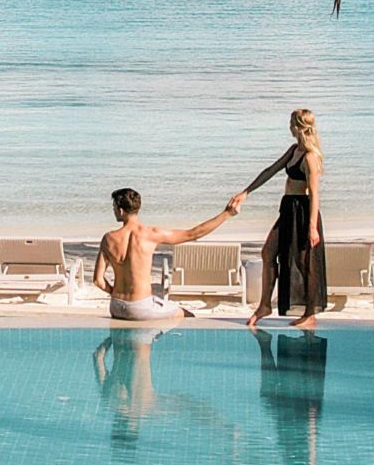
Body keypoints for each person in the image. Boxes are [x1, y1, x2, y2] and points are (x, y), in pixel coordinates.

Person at [96, 184, 240, 321]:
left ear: (121, 210)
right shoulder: (151, 234)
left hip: (116, 307)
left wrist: (115, 293)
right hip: (140, 307)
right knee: (187, 315)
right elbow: (193, 234)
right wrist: (227, 213)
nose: (114, 210)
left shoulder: (108, 239)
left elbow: (98, 281)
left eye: (114, 207)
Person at [242, 107, 326, 330]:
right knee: (268, 252)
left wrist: (312, 227)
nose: (289, 127)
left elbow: (314, 193)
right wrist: (246, 192)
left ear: (298, 127)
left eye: (291, 124)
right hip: (287, 207)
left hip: (303, 210)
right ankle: (264, 306)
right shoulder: (294, 150)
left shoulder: (310, 158)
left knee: (304, 263)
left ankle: (310, 313)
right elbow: (270, 170)